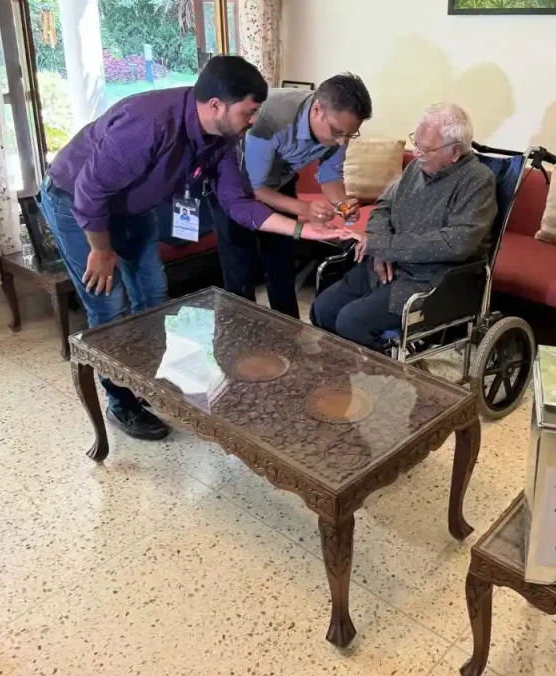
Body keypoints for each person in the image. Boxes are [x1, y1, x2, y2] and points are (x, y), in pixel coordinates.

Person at [40, 55, 351, 441]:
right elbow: (90, 193)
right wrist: (101, 250)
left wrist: (303, 231)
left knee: (152, 296)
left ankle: (144, 383)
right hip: (75, 203)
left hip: (133, 207)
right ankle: (121, 403)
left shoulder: (221, 139)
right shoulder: (149, 123)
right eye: (249, 112)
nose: (254, 121)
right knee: (109, 306)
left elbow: (239, 203)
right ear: (217, 105)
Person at [310, 103, 497, 351]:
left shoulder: (478, 180)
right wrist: (379, 249)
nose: (416, 153)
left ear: (454, 152)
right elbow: (382, 208)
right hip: (383, 266)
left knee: (351, 323)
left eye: (425, 149)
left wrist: (385, 246)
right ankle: (339, 380)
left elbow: (456, 243)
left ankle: (388, 379)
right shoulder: (415, 169)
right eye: (415, 143)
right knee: (322, 310)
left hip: (428, 282)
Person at [211, 73, 373, 319]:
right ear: (317, 109)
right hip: (234, 185)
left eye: (350, 135)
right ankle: (239, 338)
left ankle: (289, 333)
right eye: (338, 132)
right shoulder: (270, 119)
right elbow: (256, 188)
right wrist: (303, 208)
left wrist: (342, 205)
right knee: (240, 269)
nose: (342, 142)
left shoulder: (339, 127)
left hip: (277, 182)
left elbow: (330, 175)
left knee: (281, 264)